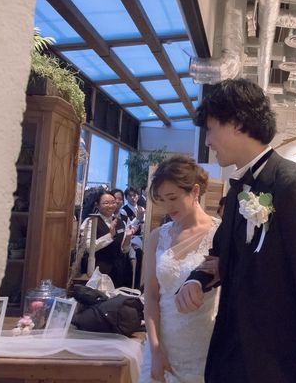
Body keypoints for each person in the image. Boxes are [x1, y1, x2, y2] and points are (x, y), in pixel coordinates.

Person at [175, 79, 296, 383]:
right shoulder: (238, 190)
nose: (208, 141)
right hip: (233, 357)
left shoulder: (292, 185)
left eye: (211, 129)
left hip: (277, 364)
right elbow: (221, 255)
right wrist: (195, 279)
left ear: (237, 124)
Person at [139, 156, 221, 383]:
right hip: (163, 344)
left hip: (204, 344)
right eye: (163, 200)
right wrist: (155, 348)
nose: (168, 206)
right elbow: (151, 296)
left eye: (173, 198)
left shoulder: (220, 234)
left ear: (195, 191)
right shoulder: (158, 237)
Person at [79, 190, 135, 288]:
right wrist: (110, 236)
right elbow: (89, 248)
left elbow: (124, 249)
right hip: (98, 270)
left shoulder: (120, 222)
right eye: (106, 203)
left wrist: (128, 238)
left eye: (113, 202)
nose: (111, 206)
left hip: (117, 271)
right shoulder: (91, 221)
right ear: (97, 205)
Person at [122, 187, 146, 288]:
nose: (133, 198)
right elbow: (127, 227)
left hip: (141, 238)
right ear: (126, 197)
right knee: (136, 256)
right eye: (130, 196)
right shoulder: (124, 211)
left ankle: (139, 283)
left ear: (138, 196)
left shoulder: (142, 209)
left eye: (135, 195)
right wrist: (137, 218)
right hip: (130, 239)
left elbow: (144, 225)